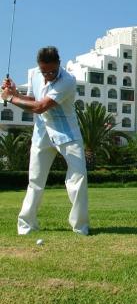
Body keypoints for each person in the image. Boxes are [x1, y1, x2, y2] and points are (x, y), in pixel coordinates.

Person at [1, 46, 89, 235]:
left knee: (78, 178)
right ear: (38, 67)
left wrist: (10, 98)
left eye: (52, 71)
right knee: (35, 180)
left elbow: (41, 106)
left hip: (68, 134)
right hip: (42, 133)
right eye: (45, 71)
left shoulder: (68, 80)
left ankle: (80, 227)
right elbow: (34, 98)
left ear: (59, 64)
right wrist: (16, 94)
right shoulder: (34, 74)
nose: (48, 75)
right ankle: (26, 226)